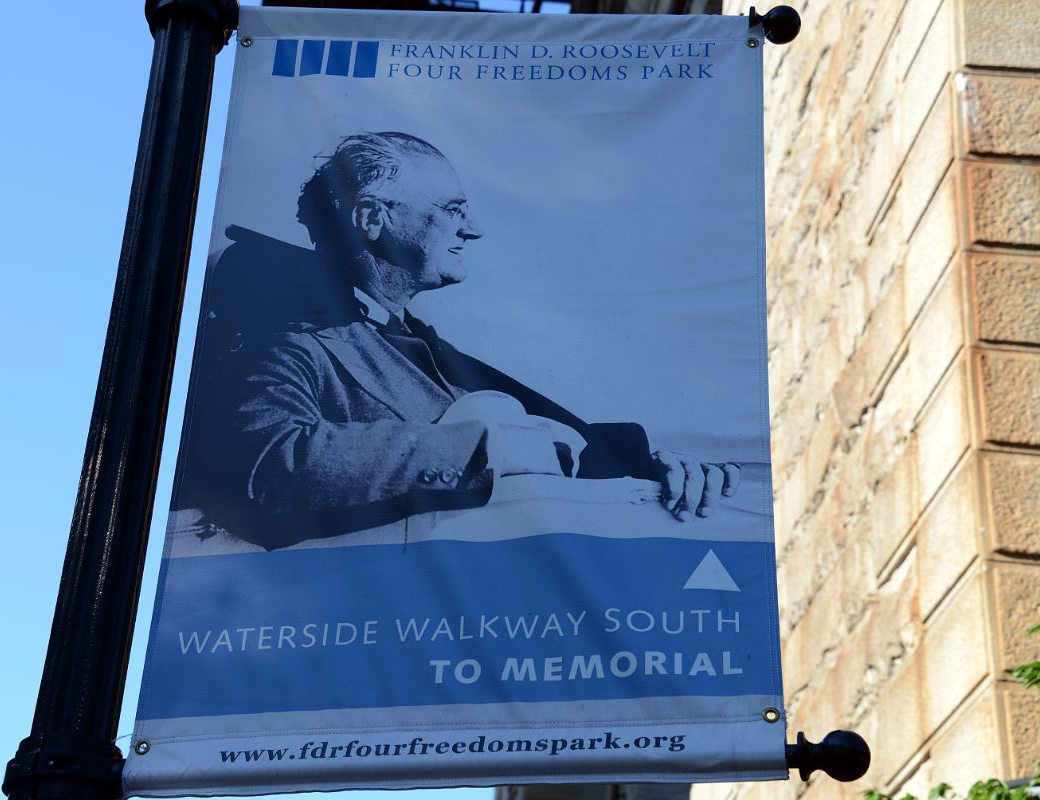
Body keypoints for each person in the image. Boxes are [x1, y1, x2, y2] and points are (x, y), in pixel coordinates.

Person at [174, 132, 739, 550]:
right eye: (451, 210)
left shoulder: (424, 346)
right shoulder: (289, 343)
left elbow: (546, 448)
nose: (473, 229)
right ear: (372, 219)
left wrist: (654, 468)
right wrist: (485, 448)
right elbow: (270, 462)